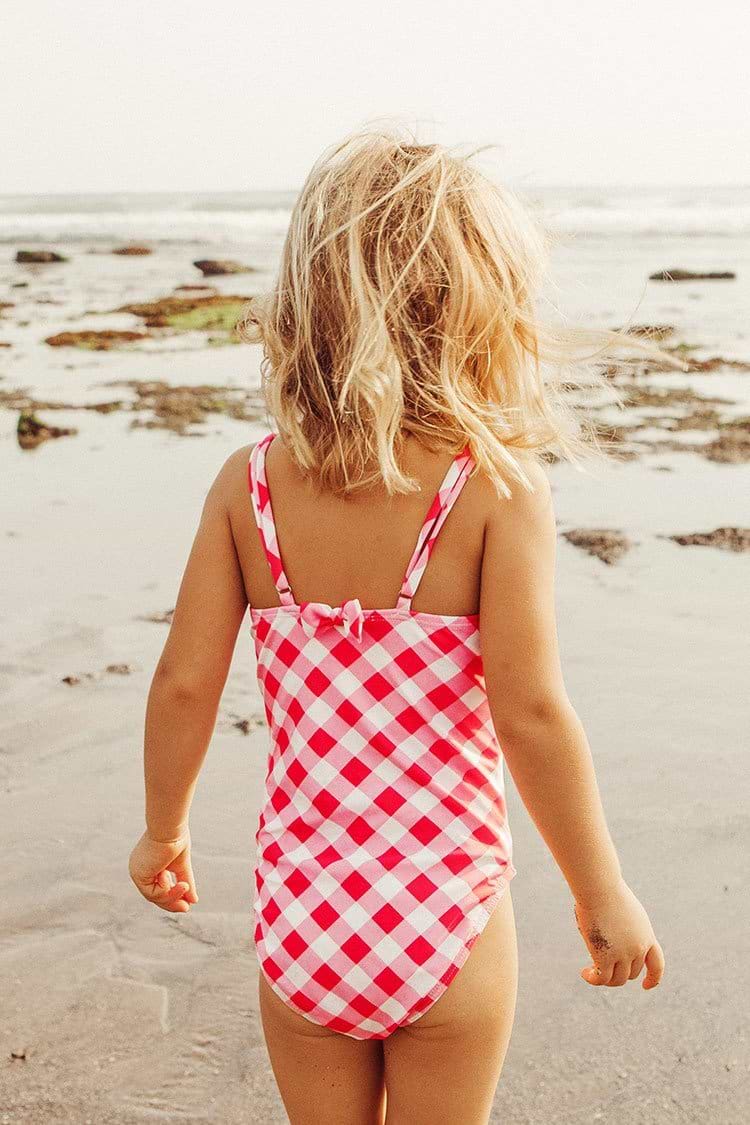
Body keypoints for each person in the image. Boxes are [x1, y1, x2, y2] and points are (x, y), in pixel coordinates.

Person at [129, 128, 665, 1125]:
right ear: (480, 307)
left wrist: (163, 831)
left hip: (304, 919)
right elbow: (534, 713)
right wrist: (603, 894)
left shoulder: (247, 489)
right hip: (447, 915)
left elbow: (185, 684)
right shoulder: (495, 490)